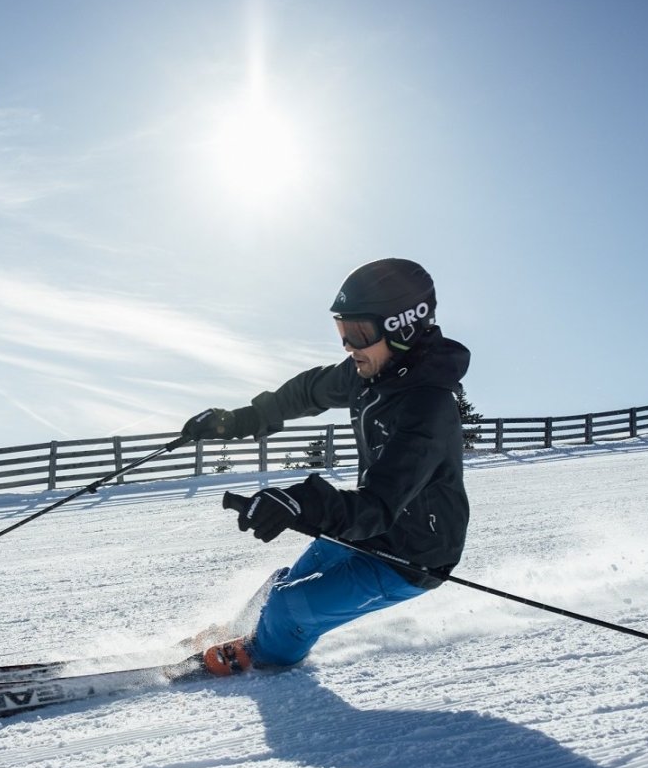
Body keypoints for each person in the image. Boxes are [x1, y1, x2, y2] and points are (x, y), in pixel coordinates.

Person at [179, 258, 472, 677]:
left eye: (358, 333)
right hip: (370, 529)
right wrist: (241, 420)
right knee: (281, 583)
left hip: (411, 553)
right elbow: (306, 392)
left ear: (404, 328)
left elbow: (378, 503)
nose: (348, 346)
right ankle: (242, 632)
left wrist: (302, 503)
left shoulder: (428, 409)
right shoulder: (367, 375)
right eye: (342, 331)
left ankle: (262, 655)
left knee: (289, 607)